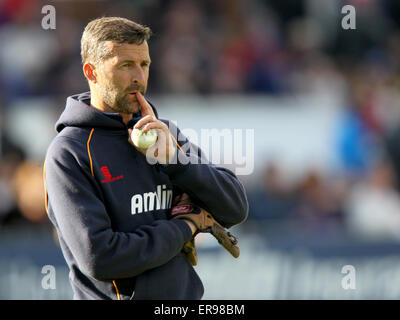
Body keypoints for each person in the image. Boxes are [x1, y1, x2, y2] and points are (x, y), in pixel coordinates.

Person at [43, 16, 248, 300]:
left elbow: (235, 208)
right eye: (126, 65)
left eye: (144, 65)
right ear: (91, 72)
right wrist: (186, 226)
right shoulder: (69, 152)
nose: (139, 76)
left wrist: (177, 162)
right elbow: (101, 257)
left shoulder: (164, 134)